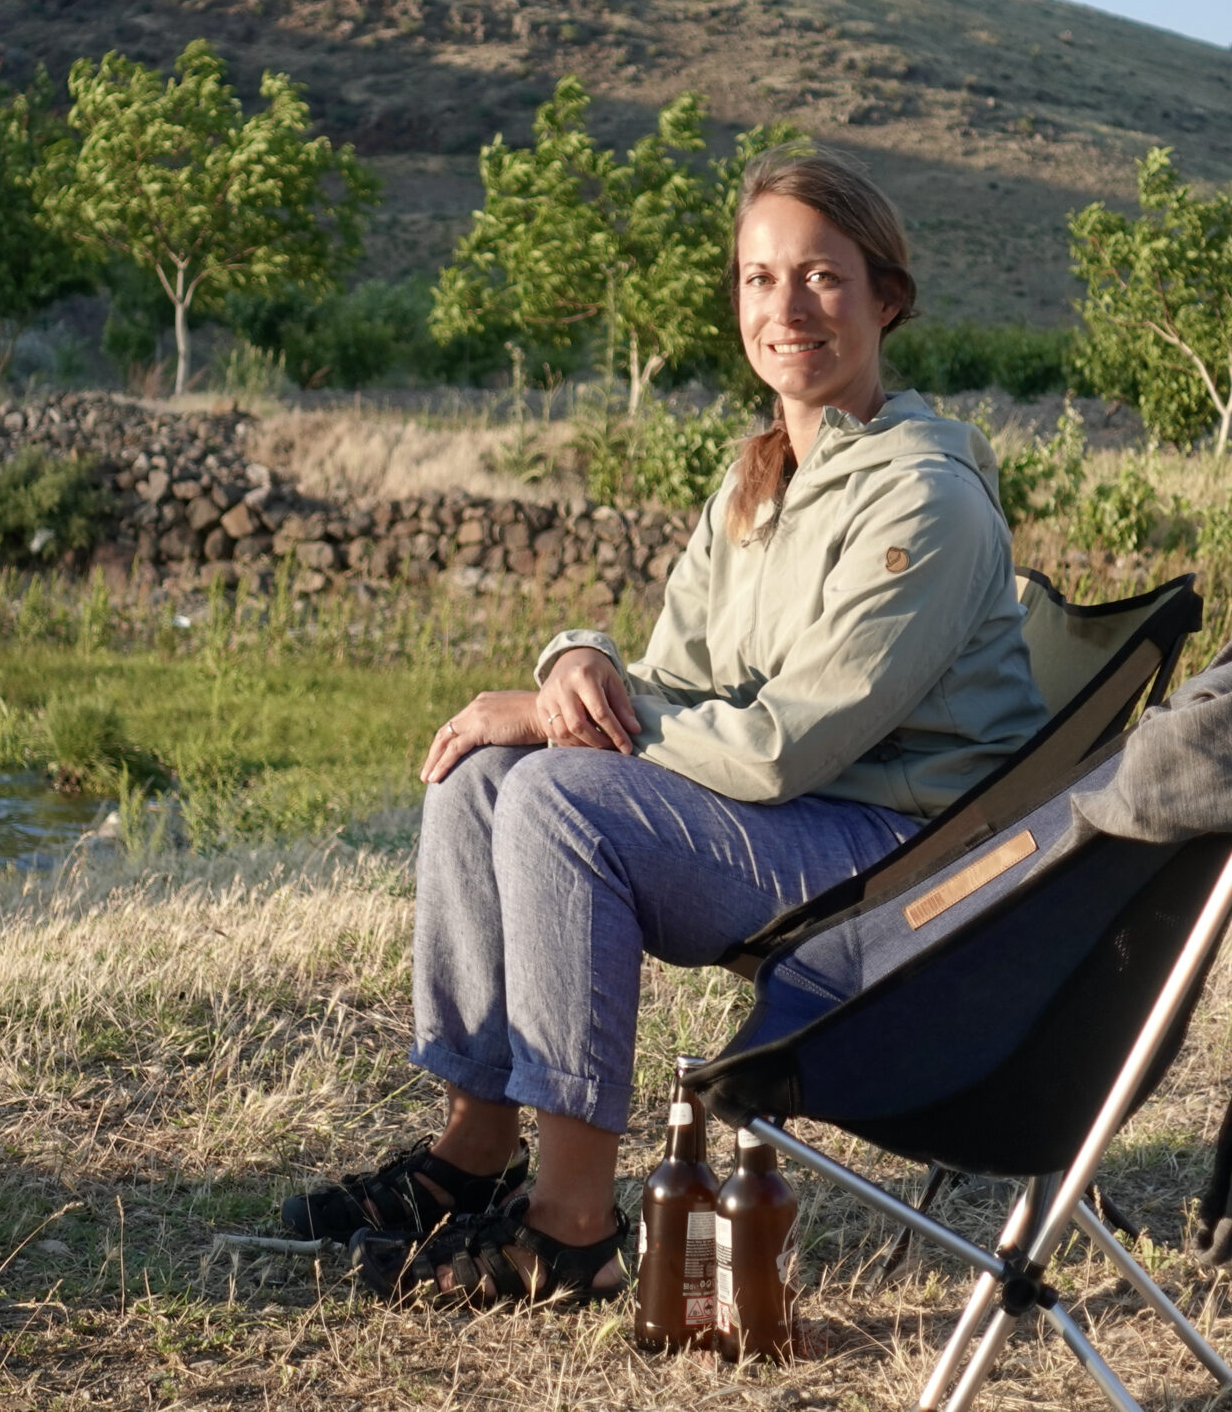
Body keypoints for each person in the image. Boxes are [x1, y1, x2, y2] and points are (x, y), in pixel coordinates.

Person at [282, 147, 1050, 1304]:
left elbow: (786, 744)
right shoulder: (758, 481)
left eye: (821, 279)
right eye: (756, 278)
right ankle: (472, 1152)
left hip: (900, 857)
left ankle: (571, 1226)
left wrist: (563, 727)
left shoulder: (924, 499)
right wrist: (571, 665)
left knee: (552, 795)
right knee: (483, 771)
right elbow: (669, 674)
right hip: (797, 817)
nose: (784, 308)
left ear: (885, 298)